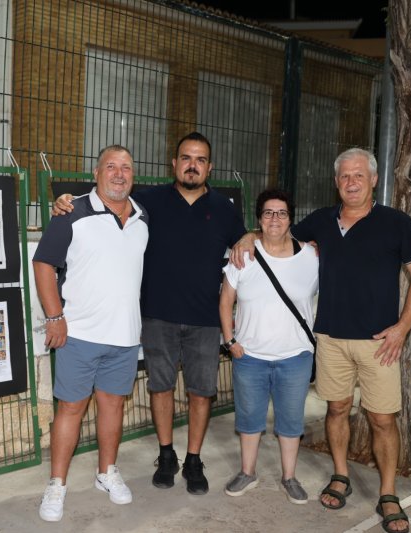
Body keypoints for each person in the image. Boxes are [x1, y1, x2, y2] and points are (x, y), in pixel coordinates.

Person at [231, 148, 411, 533]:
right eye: (344, 177)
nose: (351, 182)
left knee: (383, 419)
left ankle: (388, 493)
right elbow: (278, 231)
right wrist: (247, 234)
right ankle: (340, 475)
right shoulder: (321, 221)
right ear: (336, 182)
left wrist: (402, 327)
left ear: (373, 180)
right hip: (330, 340)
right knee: (336, 410)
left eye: (359, 176)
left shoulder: (396, 223)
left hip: (379, 342)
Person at [53, 132, 246, 494]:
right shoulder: (148, 201)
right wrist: (65, 201)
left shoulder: (224, 208)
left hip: (206, 319)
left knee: (201, 392)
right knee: (161, 387)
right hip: (156, 315)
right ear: (173, 164)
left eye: (200, 159)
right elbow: (106, 193)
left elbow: (245, 239)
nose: (192, 165)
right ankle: (167, 454)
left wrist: (248, 237)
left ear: (210, 167)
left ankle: (193, 459)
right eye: (186, 157)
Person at [33, 144, 148, 522]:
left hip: (126, 335)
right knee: (70, 408)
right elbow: (44, 264)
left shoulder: (143, 217)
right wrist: (54, 317)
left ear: (134, 175)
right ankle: (57, 484)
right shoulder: (71, 212)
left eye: (126, 168)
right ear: (96, 173)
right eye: (111, 167)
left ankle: (106, 473)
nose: (119, 174)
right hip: (78, 333)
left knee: (113, 405)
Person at [219, 189, 317, 505]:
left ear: (291, 218)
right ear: (259, 219)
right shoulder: (243, 255)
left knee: (290, 421)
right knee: (249, 419)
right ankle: (248, 472)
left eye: (281, 213)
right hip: (250, 356)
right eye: (268, 213)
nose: (274, 219)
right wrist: (230, 341)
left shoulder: (311, 257)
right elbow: (225, 301)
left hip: (295, 356)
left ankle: (289, 477)